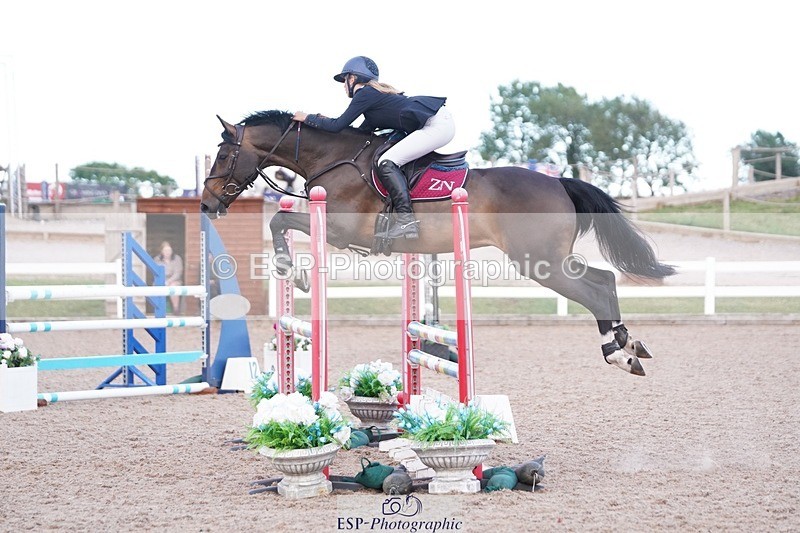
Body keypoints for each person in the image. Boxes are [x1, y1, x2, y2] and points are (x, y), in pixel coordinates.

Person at [293, 56, 455, 240]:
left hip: (437, 125)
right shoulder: (371, 100)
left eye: (344, 80)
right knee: (390, 159)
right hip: (437, 122)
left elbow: (337, 125)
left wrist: (308, 118)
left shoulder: (365, 94)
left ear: (352, 79)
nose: (344, 86)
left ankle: (407, 221)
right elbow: (356, 134)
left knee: (387, 161)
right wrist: (320, 121)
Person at [153, 241, 184, 313]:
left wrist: (169, 281)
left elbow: (178, 273)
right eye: (165, 250)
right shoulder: (157, 259)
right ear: (161, 251)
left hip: (174, 280)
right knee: (157, 287)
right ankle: (158, 310)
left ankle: (176, 308)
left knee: (173, 287)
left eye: (169, 250)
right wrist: (163, 281)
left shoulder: (177, 259)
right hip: (160, 280)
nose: (168, 252)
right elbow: (155, 272)